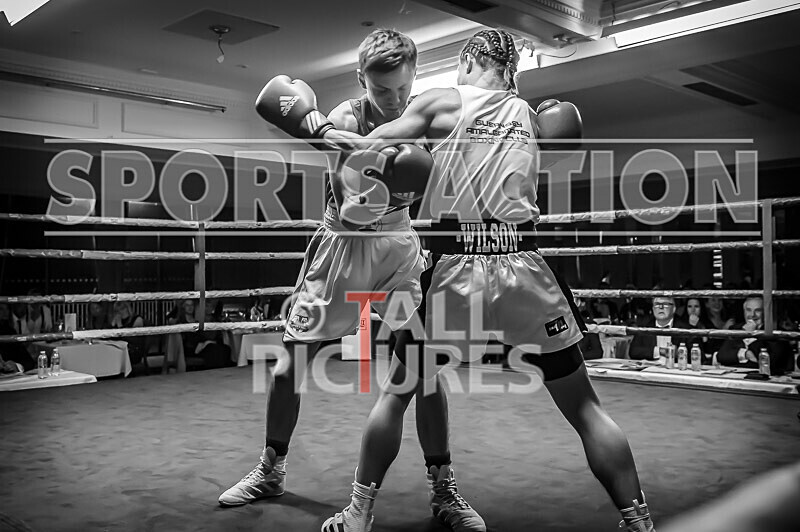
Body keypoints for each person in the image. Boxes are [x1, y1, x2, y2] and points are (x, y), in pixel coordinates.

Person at [258, 27, 657, 532]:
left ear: (467, 62)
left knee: (397, 393)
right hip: (525, 269)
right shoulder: (530, 116)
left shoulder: (442, 102)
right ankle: (638, 520)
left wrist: (317, 127)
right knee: (585, 407)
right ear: (511, 72)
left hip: (457, 269)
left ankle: (359, 511)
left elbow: (368, 149)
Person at [224, 29, 485, 531]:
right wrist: (359, 153)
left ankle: (444, 489)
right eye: (383, 90)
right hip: (343, 247)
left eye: (404, 89)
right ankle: (270, 470)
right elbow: (351, 208)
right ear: (360, 79)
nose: (395, 100)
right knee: (289, 365)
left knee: (424, 367)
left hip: (398, 251)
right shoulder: (344, 120)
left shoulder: (425, 119)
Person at [716, 296, 792, 375]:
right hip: (735, 376)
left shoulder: (775, 332)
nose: (752, 315)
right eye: (748, 310)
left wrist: (751, 336)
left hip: (763, 378)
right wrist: (746, 354)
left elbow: (770, 362)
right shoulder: (735, 329)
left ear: (765, 312)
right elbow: (722, 356)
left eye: (758, 310)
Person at [629, 296, 689, 361]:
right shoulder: (645, 327)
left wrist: (680, 353)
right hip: (650, 367)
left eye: (665, 304)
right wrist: (659, 351)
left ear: (674, 309)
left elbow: (696, 355)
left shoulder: (686, 328)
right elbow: (633, 351)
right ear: (653, 309)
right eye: (657, 304)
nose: (661, 307)